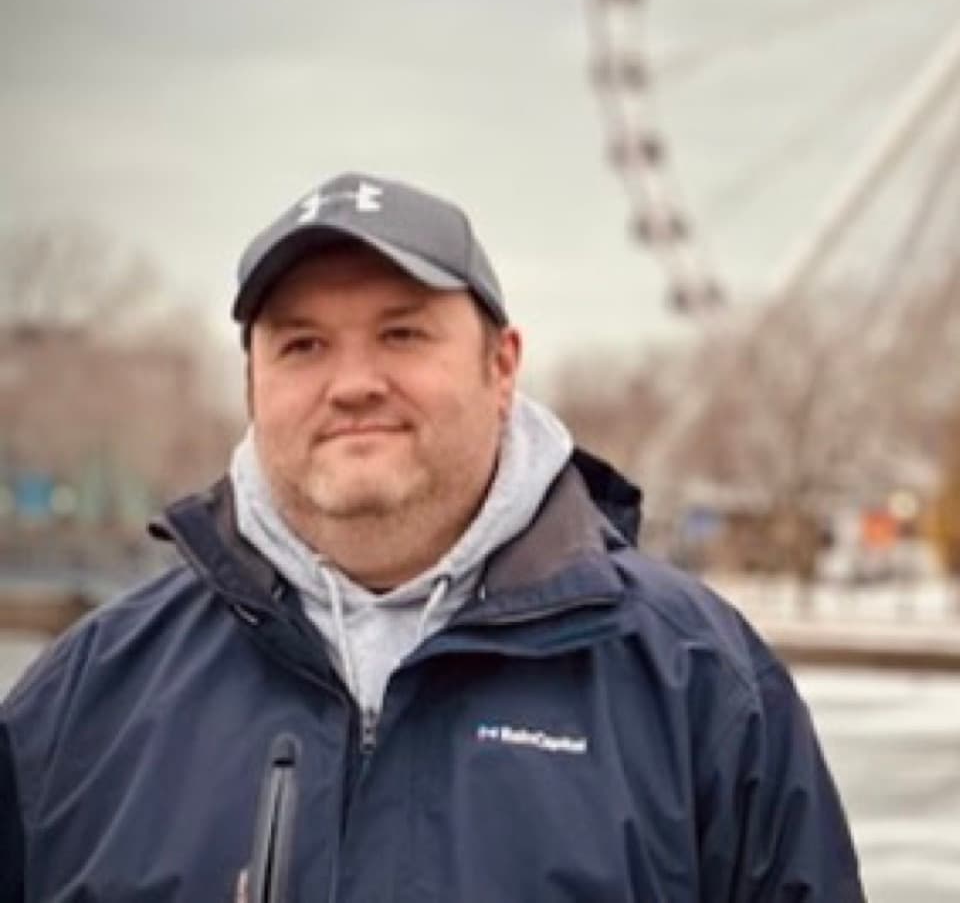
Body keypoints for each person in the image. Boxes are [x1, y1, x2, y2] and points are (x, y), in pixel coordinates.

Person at [0, 171, 864, 901]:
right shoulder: (81, 703)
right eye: (302, 345)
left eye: (402, 334)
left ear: (503, 366)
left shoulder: (703, 691)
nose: (353, 384)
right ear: (253, 386)